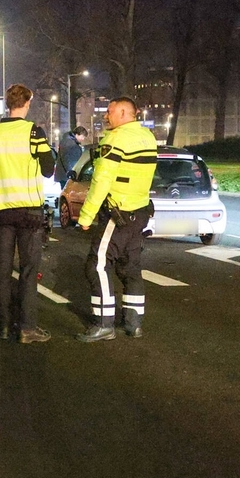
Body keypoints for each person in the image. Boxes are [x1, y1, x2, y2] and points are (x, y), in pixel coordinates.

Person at [0, 84, 55, 343]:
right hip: (29, 212)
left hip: (1, 213)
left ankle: (4, 325)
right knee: (28, 271)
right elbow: (49, 169)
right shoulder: (33, 132)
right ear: (27, 103)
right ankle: (27, 328)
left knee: (2, 269)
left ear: (7, 104)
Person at [75, 97, 158, 342]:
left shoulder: (115, 139)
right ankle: (134, 324)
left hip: (117, 213)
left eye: (110, 111)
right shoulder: (148, 137)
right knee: (130, 267)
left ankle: (104, 323)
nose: (106, 116)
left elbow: (102, 181)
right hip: (139, 212)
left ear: (123, 112)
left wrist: (86, 216)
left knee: (97, 265)